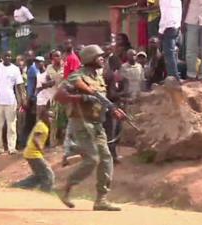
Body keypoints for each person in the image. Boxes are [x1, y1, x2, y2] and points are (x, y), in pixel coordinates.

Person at [54, 45, 126, 211]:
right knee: (93, 158)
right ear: (90, 58)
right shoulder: (76, 77)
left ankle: (101, 199)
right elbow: (59, 96)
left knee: (106, 158)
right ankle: (66, 187)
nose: (102, 59)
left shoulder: (98, 78)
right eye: (99, 56)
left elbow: (102, 101)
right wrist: (82, 97)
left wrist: (114, 110)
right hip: (81, 123)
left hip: (97, 124)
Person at [0, 50, 26, 155]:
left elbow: (20, 86)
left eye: (10, 56)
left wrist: (22, 99)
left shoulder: (15, 69)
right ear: (2, 56)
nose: (8, 58)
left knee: (11, 126)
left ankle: (12, 148)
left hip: (11, 101)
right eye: (6, 56)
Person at [11, 110, 55, 192]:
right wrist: (41, 149)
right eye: (49, 117)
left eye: (52, 117)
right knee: (48, 174)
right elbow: (36, 138)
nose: (51, 119)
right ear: (43, 117)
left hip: (30, 153)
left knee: (38, 176)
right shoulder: (41, 125)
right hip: (33, 154)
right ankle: (45, 191)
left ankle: (18, 186)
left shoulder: (42, 125)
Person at [159, 0, 182, 81]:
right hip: (176, 26)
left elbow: (165, 15)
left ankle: (173, 77)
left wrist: (161, 31)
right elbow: (180, 12)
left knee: (169, 54)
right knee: (173, 53)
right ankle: (175, 76)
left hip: (168, 27)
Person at [46, 50, 65, 147]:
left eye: (58, 56)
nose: (57, 58)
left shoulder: (65, 66)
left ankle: (64, 144)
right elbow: (47, 80)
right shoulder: (49, 68)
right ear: (52, 58)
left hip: (64, 98)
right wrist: (48, 82)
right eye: (55, 56)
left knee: (64, 121)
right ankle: (52, 143)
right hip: (53, 97)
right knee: (53, 121)